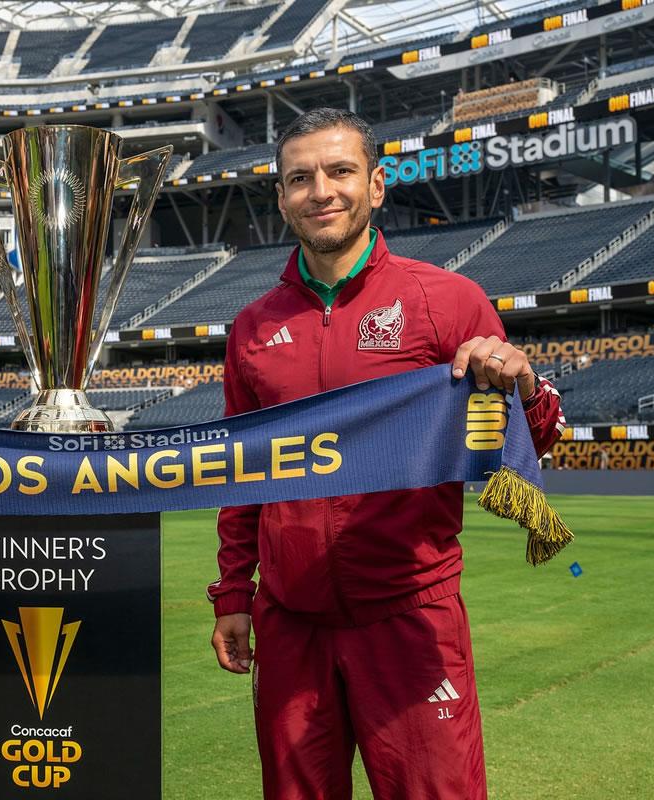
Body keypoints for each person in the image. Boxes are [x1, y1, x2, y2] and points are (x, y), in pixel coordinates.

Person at [208, 108, 565, 800]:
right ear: (281, 198)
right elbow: (240, 473)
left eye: (341, 172)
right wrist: (233, 594)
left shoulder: (447, 300)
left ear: (376, 185)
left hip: (408, 617)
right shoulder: (253, 329)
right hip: (292, 624)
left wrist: (521, 382)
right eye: (301, 178)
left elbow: (532, 437)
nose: (322, 191)